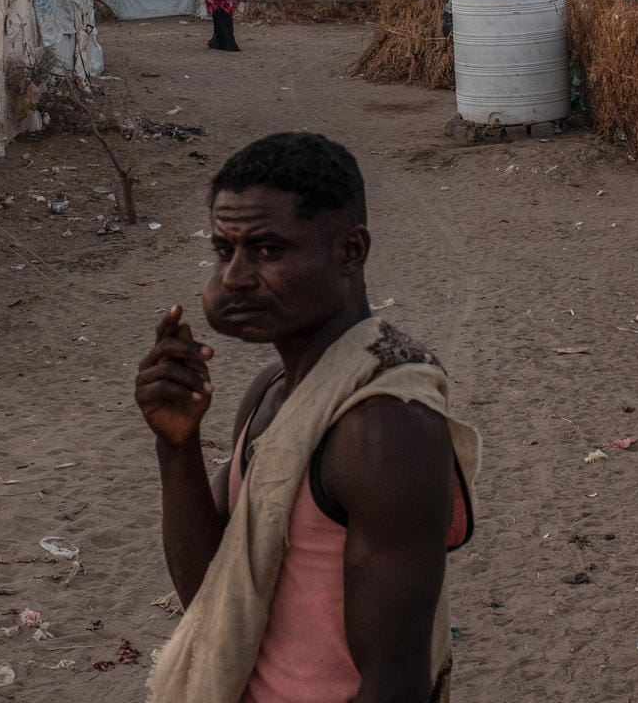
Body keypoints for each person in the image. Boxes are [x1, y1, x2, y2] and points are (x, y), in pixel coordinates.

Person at [137, 133, 478, 703]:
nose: (235, 278)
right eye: (225, 251)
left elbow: (396, 683)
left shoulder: (384, 429)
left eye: (267, 251)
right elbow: (216, 595)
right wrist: (177, 444)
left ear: (349, 251)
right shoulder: (272, 388)